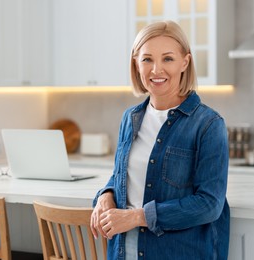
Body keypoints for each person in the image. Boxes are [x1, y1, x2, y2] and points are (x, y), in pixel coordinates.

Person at [90, 20, 230, 260]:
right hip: (124, 252)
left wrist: (136, 217)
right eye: (147, 59)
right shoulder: (130, 118)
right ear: (136, 62)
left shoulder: (208, 124)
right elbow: (122, 175)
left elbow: (209, 204)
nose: (156, 70)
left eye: (168, 59)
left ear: (184, 62)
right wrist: (106, 194)